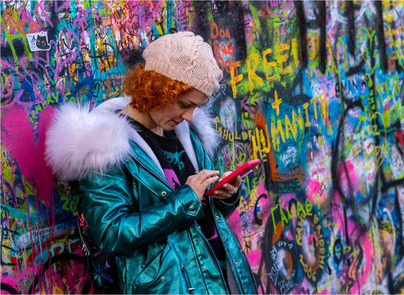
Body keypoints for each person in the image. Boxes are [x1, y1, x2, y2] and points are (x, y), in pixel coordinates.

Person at [45, 31, 258, 294]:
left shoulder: (187, 135)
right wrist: (185, 199)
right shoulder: (105, 146)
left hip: (221, 279)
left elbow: (196, 220)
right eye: (184, 104)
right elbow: (112, 233)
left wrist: (222, 197)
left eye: (196, 107)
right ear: (157, 88)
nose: (190, 117)